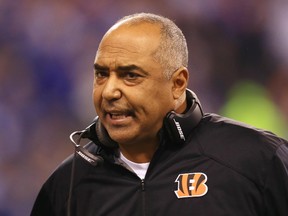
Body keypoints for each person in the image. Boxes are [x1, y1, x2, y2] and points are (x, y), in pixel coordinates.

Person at [31, 13, 288, 216]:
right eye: (101, 74)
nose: (109, 91)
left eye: (130, 75)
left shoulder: (257, 161)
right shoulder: (67, 185)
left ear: (177, 84)